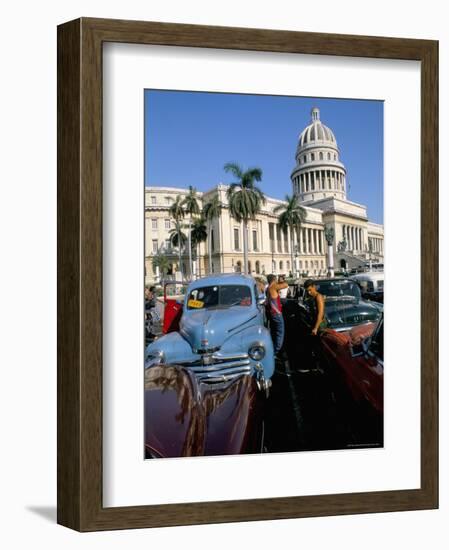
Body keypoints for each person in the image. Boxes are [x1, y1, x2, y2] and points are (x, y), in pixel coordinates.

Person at [266, 273, 288, 356]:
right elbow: (286, 285)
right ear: (274, 280)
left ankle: (274, 349)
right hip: (277, 314)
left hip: (273, 313)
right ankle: (276, 352)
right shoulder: (273, 286)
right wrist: (281, 280)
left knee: (275, 332)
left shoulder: (268, 288)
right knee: (280, 332)